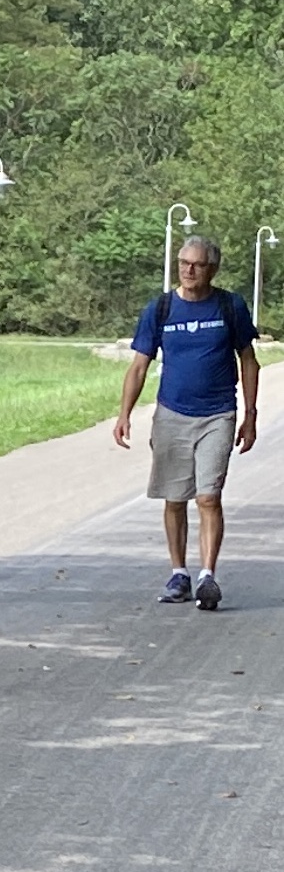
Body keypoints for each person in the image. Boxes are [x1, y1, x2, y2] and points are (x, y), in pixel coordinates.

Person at [114, 235, 260, 610]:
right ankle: (179, 573)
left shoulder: (230, 306)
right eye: (183, 262)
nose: (188, 270)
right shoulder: (161, 308)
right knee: (175, 498)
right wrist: (124, 414)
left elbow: (248, 360)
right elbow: (139, 365)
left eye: (196, 264)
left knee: (208, 496)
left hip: (218, 413)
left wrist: (250, 414)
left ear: (212, 269)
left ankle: (207, 576)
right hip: (172, 414)